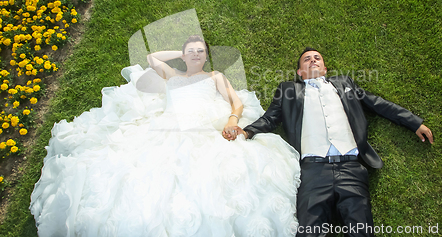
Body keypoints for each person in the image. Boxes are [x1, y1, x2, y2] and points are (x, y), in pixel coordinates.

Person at [30, 35, 300, 237]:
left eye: (201, 52)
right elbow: (152, 59)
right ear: (183, 56)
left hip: (206, 128)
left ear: (207, 57)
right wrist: (183, 52)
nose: (196, 55)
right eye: (191, 52)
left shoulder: (215, 75)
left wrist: (231, 120)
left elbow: (236, 102)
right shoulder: (172, 74)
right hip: (168, 128)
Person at [224, 47, 434, 237]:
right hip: (312, 171)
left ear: (325, 69)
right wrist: (247, 131)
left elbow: (377, 104)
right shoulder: (288, 90)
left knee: (362, 231)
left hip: (351, 167)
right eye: (307, 59)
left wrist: (414, 123)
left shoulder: (344, 83)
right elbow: (270, 119)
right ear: (300, 72)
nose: (313, 60)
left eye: (317, 58)